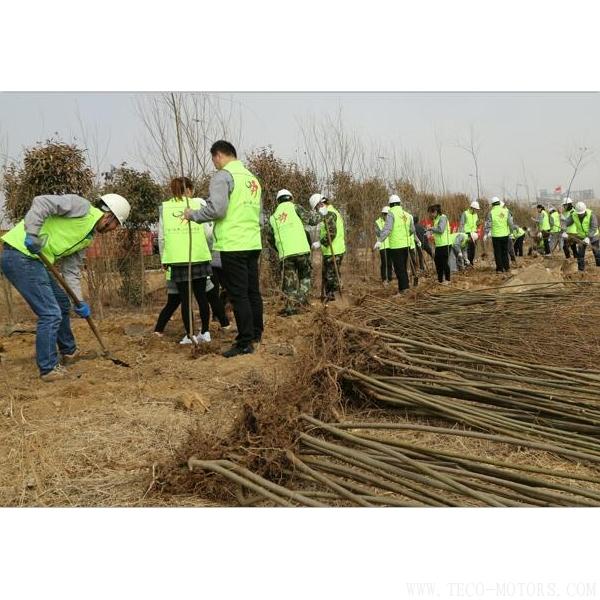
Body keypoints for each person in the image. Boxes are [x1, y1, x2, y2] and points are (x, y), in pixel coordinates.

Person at [1, 193, 130, 381]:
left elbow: (71, 271)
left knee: (62, 303)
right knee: (50, 313)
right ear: (109, 216)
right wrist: (32, 233)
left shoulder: (87, 238)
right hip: (20, 255)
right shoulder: (82, 207)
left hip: (36, 262)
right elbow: (41, 202)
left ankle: (69, 352)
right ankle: (48, 368)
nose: (113, 230)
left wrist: (78, 301)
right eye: (115, 225)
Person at [184, 140, 263, 358]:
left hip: (233, 244)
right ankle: (256, 333)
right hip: (252, 242)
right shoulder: (252, 179)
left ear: (219, 155)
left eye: (213, 159)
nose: (214, 164)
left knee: (239, 295)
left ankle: (245, 342)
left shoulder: (223, 176)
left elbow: (217, 209)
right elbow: (260, 216)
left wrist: (194, 215)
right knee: (252, 292)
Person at [159, 177, 213, 345]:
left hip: (178, 259)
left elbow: (162, 237)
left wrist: (164, 257)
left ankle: (190, 335)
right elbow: (208, 233)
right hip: (198, 256)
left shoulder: (165, 208)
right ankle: (205, 332)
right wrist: (208, 249)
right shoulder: (198, 204)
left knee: (185, 299)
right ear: (189, 189)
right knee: (202, 296)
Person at [268, 189, 321, 315]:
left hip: (286, 255)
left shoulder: (273, 217)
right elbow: (311, 220)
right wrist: (321, 213)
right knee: (305, 277)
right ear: (291, 198)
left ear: (278, 201)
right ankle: (301, 302)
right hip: (302, 251)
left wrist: (279, 249)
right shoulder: (295, 207)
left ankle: (290, 309)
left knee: (289, 284)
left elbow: (270, 239)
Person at [374, 194, 415, 294]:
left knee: (399, 268)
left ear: (390, 204)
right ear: (399, 203)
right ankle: (405, 288)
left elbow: (387, 229)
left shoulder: (391, 213)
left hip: (396, 246)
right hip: (406, 245)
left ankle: (404, 289)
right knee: (403, 268)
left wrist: (380, 241)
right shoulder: (406, 214)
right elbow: (412, 230)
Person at [309, 193, 345, 303]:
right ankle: (331, 297)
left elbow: (332, 232)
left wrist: (320, 243)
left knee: (331, 277)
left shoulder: (330, 213)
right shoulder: (331, 211)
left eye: (316, 208)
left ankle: (334, 300)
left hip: (333, 250)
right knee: (330, 275)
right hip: (332, 249)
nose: (316, 211)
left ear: (320, 204)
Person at [561, 201, 600, 271]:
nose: (580, 215)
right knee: (580, 254)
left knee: (596, 252)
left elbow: (594, 227)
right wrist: (564, 230)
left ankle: (598, 267)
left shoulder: (591, 215)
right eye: (579, 214)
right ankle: (581, 270)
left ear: (585, 210)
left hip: (593, 236)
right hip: (581, 237)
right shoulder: (574, 214)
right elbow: (566, 222)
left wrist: (588, 237)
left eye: (581, 214)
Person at [484, 196, 515, 274]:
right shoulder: (505, 211)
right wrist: (511, 232)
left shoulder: (491, 212)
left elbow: (488, 224)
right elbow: (510, 223)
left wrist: (486, 233)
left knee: (498, 252)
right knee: (505, 251)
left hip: (496, 236)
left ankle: (500, 269)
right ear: (499, 203)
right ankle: (507, 267)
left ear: (492, 204)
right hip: (505, 235)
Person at [427, 203, 451, 284]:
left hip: (445, 244)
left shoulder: (443, 218)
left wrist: (431, 228)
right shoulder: (436, 219)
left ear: (435, 212)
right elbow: (436, 232)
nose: (430, 215)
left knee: (444, 263)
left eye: (431, 213)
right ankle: (440, 280)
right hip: (438, 245)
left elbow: (440, 230)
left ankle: (447, 279)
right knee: (437, 263)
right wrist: (430, 234)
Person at [375, 206, 393, 285]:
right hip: (382, 245)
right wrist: (386, 231)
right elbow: (378, 233)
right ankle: (384, 279)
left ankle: (390, 278)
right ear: (382, 214)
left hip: (391, 245)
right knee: (384, 263)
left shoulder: (391, 221)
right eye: (384, 214)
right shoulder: (378, 222)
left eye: (387, 214)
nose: (385, 216)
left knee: (389, 263)